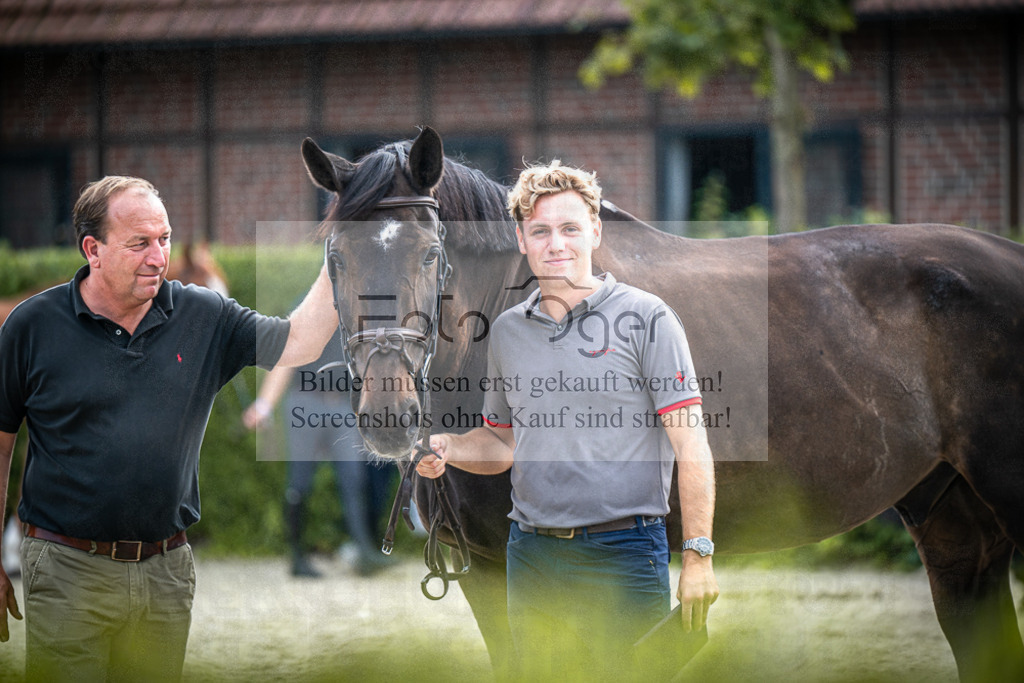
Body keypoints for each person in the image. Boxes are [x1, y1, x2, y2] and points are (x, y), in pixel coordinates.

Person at [0, 176, 338, 681]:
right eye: (139, 243)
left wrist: (341, 255)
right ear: (93, 249)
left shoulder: (204, 316)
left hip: (166, 573)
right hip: (68, 568)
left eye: (164, 239)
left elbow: (301, 342)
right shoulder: (31, 326)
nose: (159, 257)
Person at [416, 161, 719, 680]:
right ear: (521, 240)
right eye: (540, 231)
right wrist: (450, 447)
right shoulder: (507, 332)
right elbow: (502, 443)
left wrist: (698, 556)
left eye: (570, 228)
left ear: (595, 231)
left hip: (626, 552)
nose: (556, 244)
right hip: (531, 555)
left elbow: (691, 446)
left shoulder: (649, 318)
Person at [242, 355, 392, 578]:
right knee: (299, 482)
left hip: (343, 404)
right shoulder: (303, 327)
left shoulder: (352, 330)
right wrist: (264, 404)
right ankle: (297, 557)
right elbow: (286, 361)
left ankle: (364, 552)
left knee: (354, 478)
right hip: (305, 402)